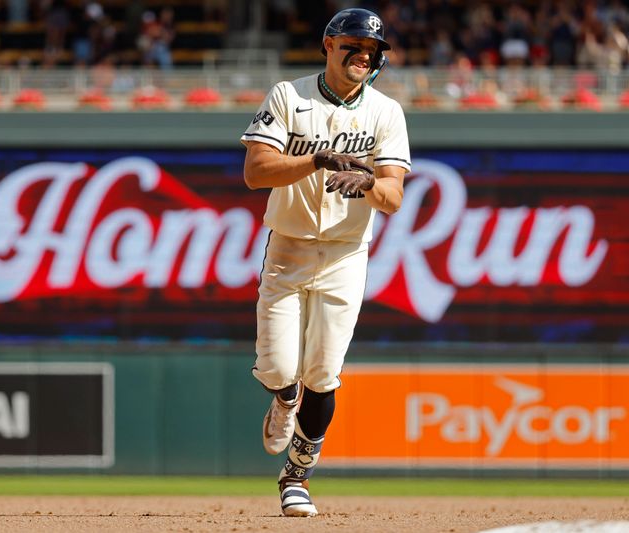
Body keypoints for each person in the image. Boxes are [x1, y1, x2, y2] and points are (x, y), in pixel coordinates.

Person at [240, 7, 410, 518]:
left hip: (345, 253)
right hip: (288, 246)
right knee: (277, 367)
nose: (362, 56)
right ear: (328, 45)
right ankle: (283, 396)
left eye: (371, 50)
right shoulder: (289, 96)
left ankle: (297, 476)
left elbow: (394, 194)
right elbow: (255, 172)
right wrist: (315, 159)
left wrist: (371, 185)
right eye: (352, 46)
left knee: (324, 371)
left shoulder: (386, 112)